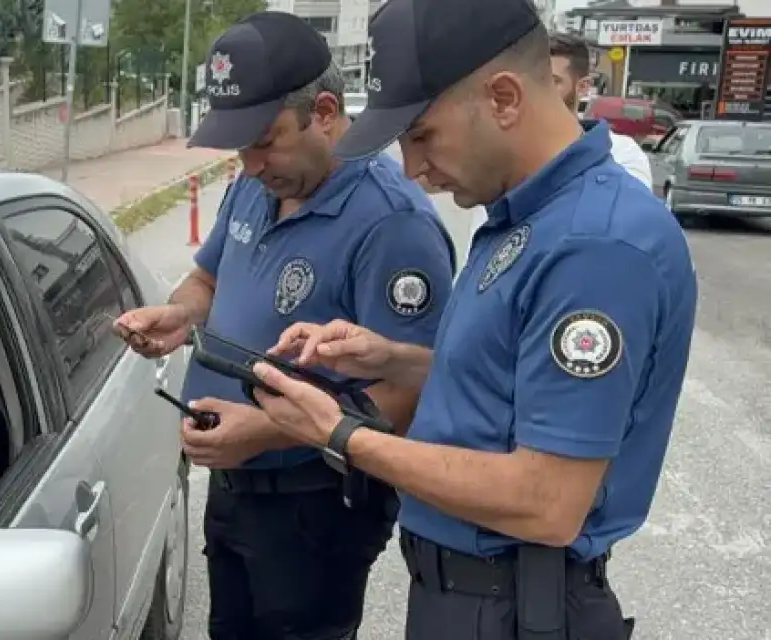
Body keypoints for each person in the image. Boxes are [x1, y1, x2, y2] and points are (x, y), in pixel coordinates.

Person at [248, 0, 697, 638]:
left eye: (421, 135)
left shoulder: (594, 245)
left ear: (504, 99)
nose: (412, 169)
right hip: (472, 595)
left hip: (510, 604)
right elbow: (512, 384)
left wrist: (339, 432)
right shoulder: (526, 213)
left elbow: (547, 502)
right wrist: (391, 358)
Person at [115, 12, 455, 639]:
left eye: (264, 141)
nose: (250, 163)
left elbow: (410, 391)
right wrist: (181, 314)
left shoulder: (392, 223)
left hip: (315, 504)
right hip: (237, 481)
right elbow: (207, 279)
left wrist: (266, 432)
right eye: (240, 147)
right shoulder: (259, 184)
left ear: (323, 113)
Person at [550, 33, 653, 189]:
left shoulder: (621, 153)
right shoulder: (515, 152)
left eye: (552, 81)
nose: (539, 91)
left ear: (583, 87)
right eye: (535, 81)